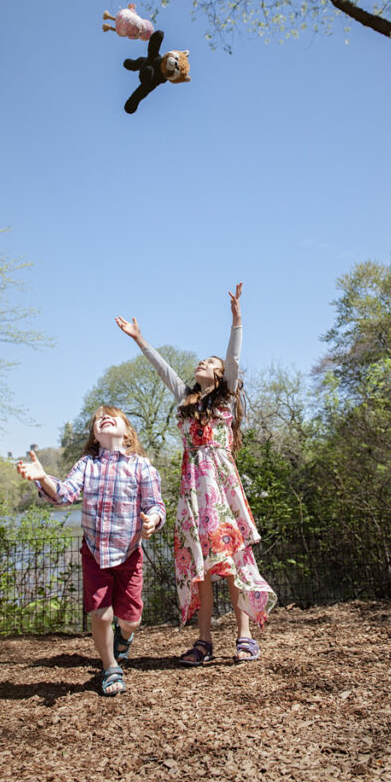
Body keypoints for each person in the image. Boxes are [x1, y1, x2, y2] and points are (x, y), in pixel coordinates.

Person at [116, 283, 276, 665]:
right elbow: (163, 370)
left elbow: (233, 359)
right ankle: (203, 642)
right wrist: (140, 340)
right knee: (201, 565)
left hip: (221, 486)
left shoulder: (224, 397)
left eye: (210, 364)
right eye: (202, 362)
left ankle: (244, 636)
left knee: (233, 560)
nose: (202, 364)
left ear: (220, 378)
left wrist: (237, 319)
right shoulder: (186, 400)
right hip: (192, 488)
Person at [16, 405, 166, 696]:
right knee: (102, 616)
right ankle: (111, 668)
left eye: (112, 416)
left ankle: (124, 639)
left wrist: (153, 521)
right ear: (95, 436)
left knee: (131, 620)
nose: (104, 418)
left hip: (129, 554)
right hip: (95, 555)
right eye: (99, 419)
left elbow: (155, 505)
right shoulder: (88, 464)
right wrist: (42, 477)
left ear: (127, 431)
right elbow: (63, 495)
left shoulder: (142, 466)